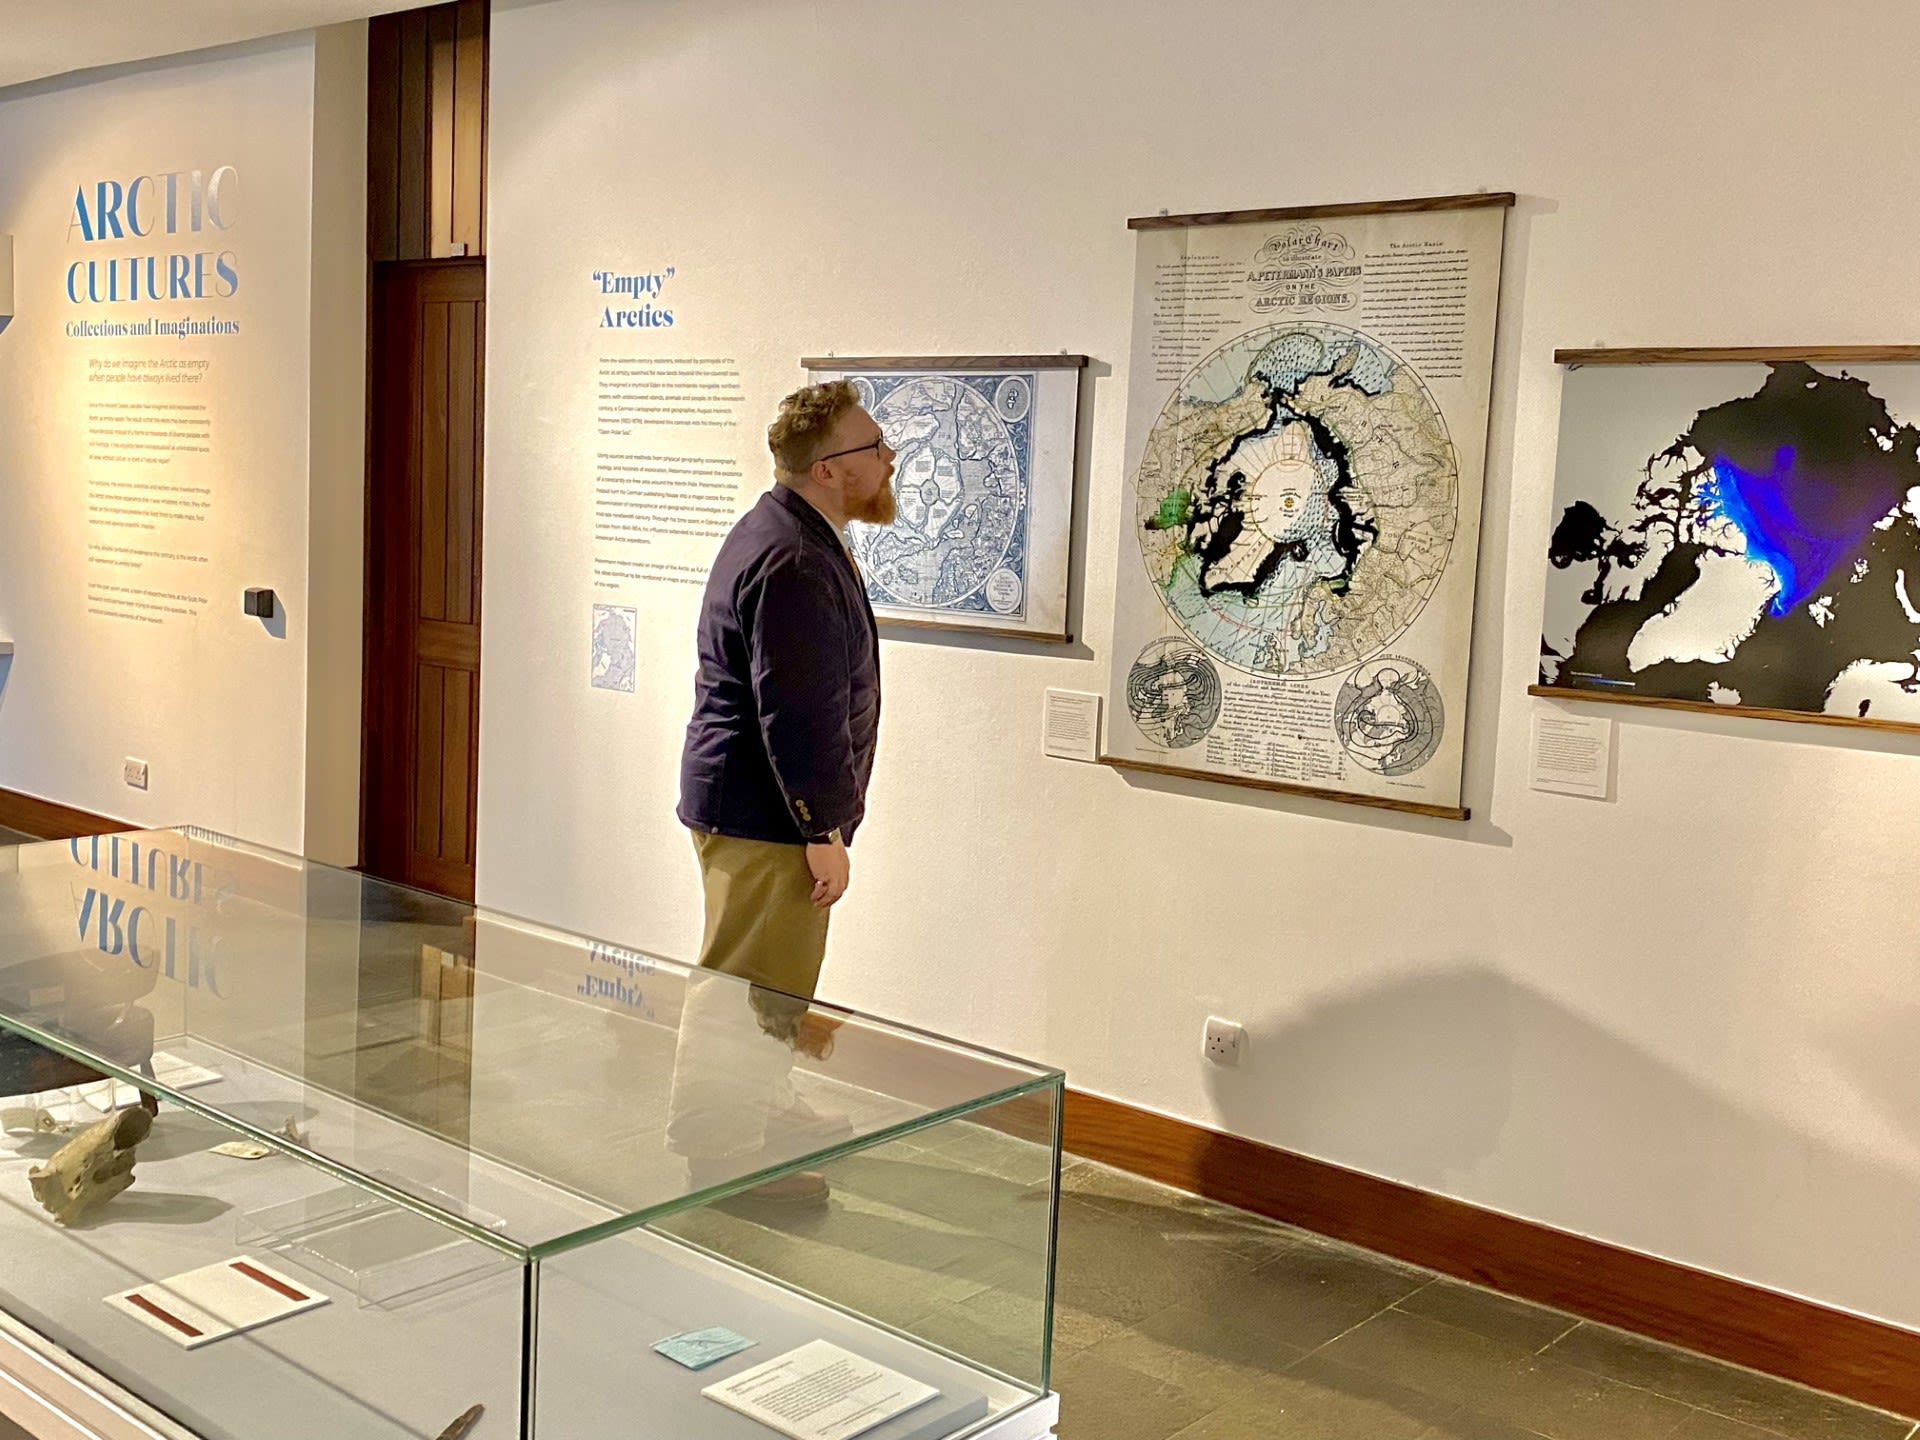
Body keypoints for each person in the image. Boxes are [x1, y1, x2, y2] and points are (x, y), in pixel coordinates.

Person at [668, 381, 893, 1200]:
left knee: (769, 981)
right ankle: (722, 1162)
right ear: (831, 468)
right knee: (744, 989)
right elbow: (795, 711)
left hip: (755, 808)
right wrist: (821, 827)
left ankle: (765, 1107)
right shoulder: (794, 556)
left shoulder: (791, 532)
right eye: (874, 447)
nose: (887, 459)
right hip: (766, 816)